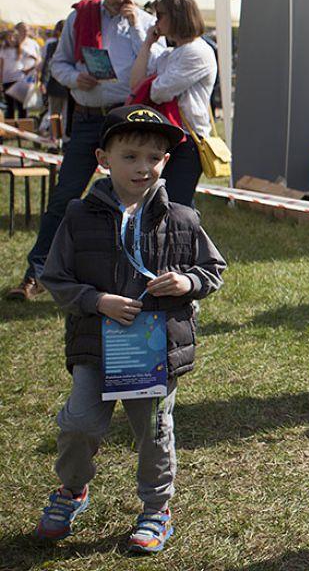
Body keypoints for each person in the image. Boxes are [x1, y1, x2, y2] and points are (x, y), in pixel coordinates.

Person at [35, 105, 226, 553]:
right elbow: (55, 277)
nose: (143, 167)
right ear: (103, 157)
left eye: (154, 157)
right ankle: (72, 490)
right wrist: (96, 301)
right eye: (131, 156)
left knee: (155, 432)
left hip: (154, 350)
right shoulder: (79, 217)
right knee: (79, 423)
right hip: (96, 346)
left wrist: (188, 282)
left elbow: (213, 268)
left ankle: (156, 508)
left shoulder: (182, 217)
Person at [7, 0, 161, 303]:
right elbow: (58, 65)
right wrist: (76, 78)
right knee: (65, 197)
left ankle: (134, 274)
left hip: (128, 120)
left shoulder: (147, 23)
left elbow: (154, 68)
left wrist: (138, 27)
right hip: (89, 117)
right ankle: (37, 273)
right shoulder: (80, 17)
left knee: (134, 199)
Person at [129, 0, 217, 208]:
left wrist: (152, 82)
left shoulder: (198, 52)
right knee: (162, 206)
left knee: (176, 207)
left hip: (188, 141)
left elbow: (159, 92)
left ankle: (189, 243)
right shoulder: (170, 53)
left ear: (176, 16)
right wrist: (148, 43)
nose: (155, 21)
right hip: (168, 136)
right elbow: (136, 83)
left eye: (160, 15)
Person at [1, 22, 41, 119]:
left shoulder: (20, 49)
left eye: (13, 37)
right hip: (7, 81)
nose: (11, 39)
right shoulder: (3, 49)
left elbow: (37, 59)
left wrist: (29, 69)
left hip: (19, 80)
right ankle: (10, 131)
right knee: (10, 107)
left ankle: (23, 129)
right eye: (9, 37)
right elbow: (1, 66)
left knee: (21, 107)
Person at [40, 20, 70, 127]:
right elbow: (47, 65)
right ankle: (54, 139)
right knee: (54, 115)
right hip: (55, 85)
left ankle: (65, 139)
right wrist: (43, 82)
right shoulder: (52, 46)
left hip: (69, 87)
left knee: (67, 116)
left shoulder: (73, 45)